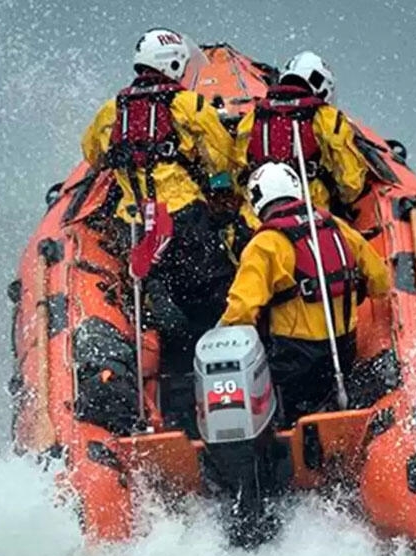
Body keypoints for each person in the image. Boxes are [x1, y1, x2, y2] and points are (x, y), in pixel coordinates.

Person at [80, 28, 238, 382]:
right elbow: (222, 156)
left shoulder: (111, 111)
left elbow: (92, 153)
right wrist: (218, 186)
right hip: (182, 217)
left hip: (134, 222)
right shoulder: (188, 105)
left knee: (152, 289)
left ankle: (167, 357)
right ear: (174, 63)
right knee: (213, 289)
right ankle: (213, 350)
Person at [219, 162, 390, 424]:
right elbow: (379, 279)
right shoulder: (336, 226)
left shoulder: (265, 244)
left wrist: (221, 335)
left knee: (284, 403)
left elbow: (241, 310)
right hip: (343, 346)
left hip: (295, 358)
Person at [234, 51, 369, 221]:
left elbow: (238, 169)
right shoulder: (326, 118)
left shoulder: (255, 116)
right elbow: (351, 182)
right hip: (307, 215)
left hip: (255, 217)